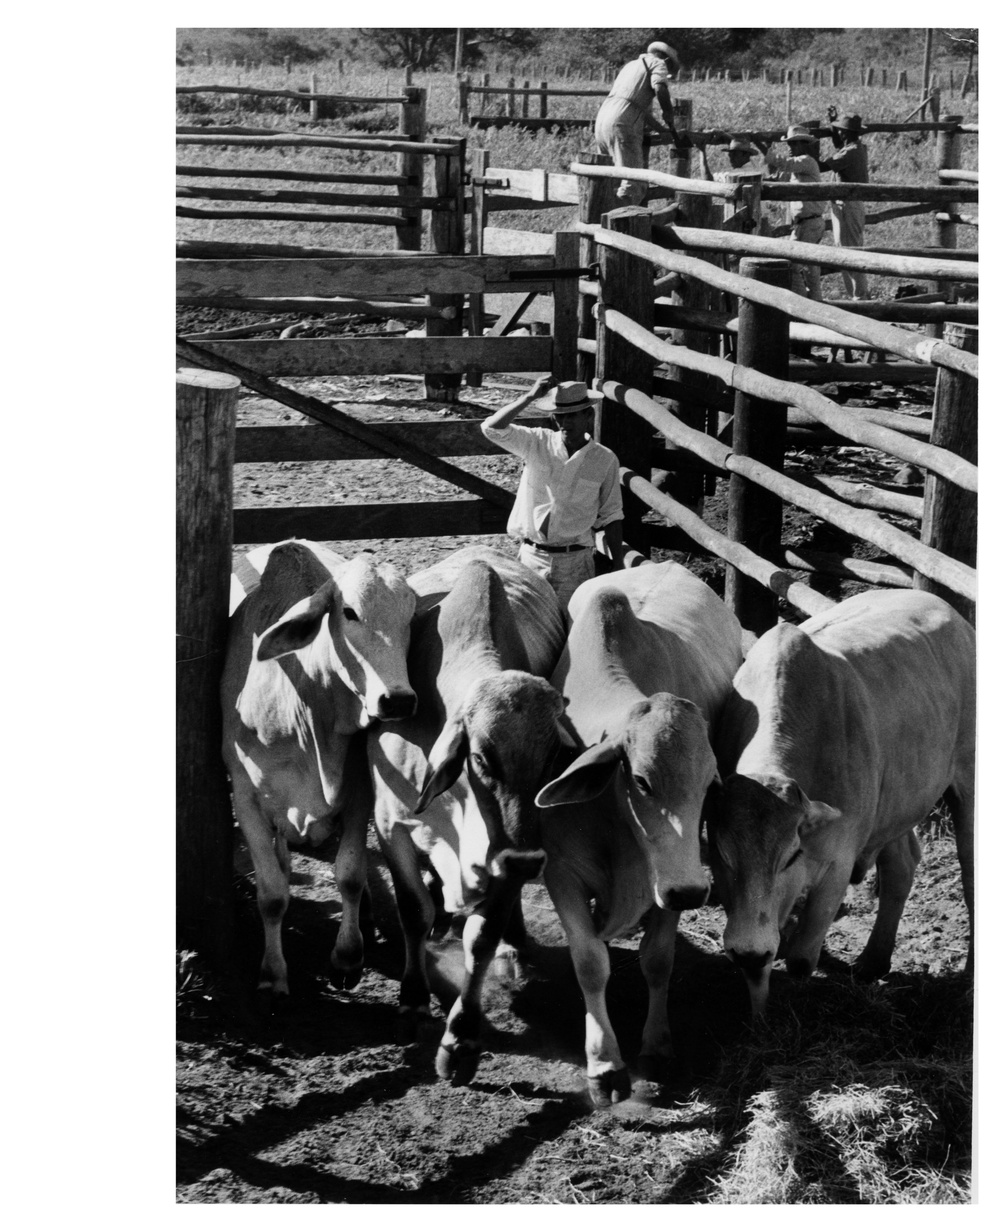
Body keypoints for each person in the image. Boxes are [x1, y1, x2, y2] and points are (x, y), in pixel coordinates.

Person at [481, 377, 626, 608]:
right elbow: (491, 428)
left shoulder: (604, 459)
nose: (565, 422)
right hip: (531, 558)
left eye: (572, 415)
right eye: (560, 415)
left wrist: (618, 566)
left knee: (572, 632)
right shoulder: (537, 441)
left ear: (588, 416)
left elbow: (612, 515)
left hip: (576, 563)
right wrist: (529, 396)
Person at [594, 41, 684, 205]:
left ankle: (601, 218)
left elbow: (638, 109)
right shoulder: (658, 63)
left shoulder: (631, 66)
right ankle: (622, 225)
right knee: (634, 183)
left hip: (602, 121)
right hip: (622, 122)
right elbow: (660, 88)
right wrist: (668, 112)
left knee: (611, 180)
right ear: (668, 60)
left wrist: (661, 129)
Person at [765, 124, 825, 299]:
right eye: (789, 144)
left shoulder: (807, 161)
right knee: (810, 269)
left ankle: (801, 306)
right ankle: (815, 304)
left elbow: (783, 163)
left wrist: (765, 147)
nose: (790, 148)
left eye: (794, 144)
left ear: (803, 145)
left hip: (808, 223)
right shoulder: (798, 167)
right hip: (807, 222)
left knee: (792, 266)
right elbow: (777, 173)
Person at [819, 113, 869, 299]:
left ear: (845, 133)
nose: (838, 133)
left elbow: (825, 166)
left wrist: (806, 160)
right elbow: (839, 146)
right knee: (846, 249)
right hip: (848, 204)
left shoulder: (850, 152)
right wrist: (833, 126)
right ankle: (857, 295)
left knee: (850, 251)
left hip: (847, 204)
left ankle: (860, 297)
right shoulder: (857, 148)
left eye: (840, 131)